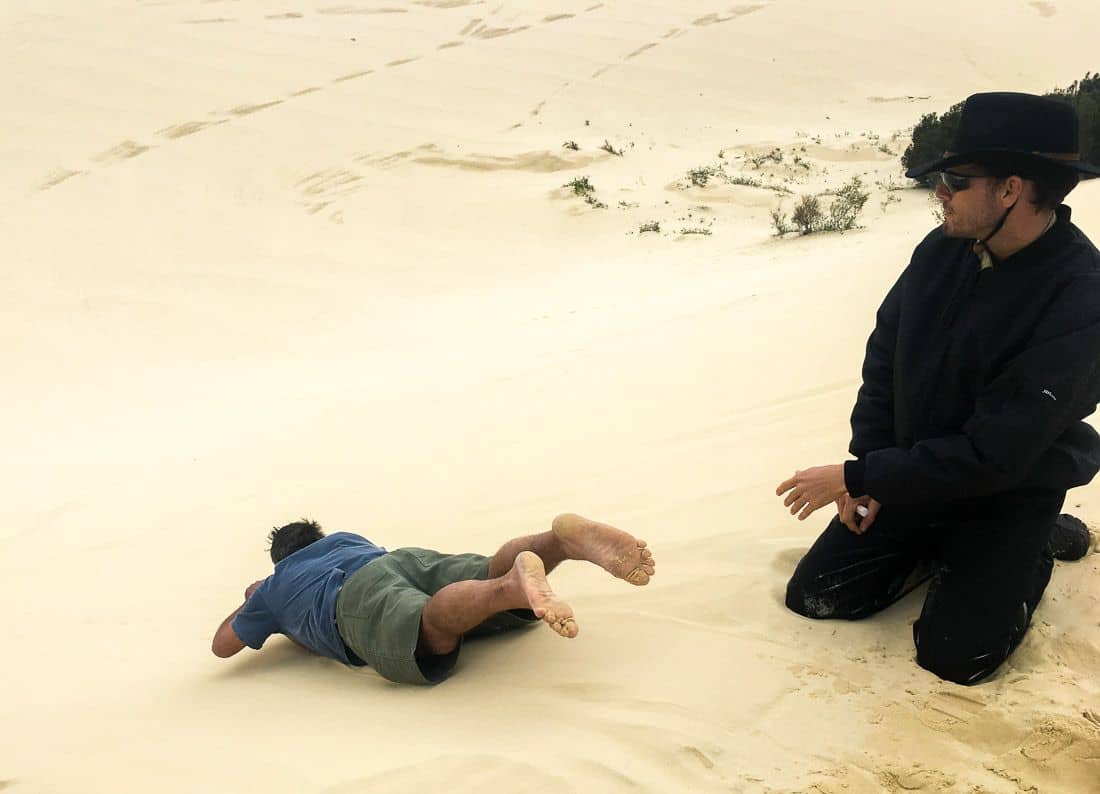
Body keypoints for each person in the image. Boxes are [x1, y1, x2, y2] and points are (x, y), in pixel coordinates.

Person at [775, 92, 1099, 685]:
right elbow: (884, 359)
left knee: (956, 658)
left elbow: (995, 454)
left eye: (955, 178)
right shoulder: (940, 251)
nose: (940, 192)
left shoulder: (1081, 297)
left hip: (1006, 490)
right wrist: (865, 470)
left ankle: (1035, 545)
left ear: (1011, 190)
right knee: (817, 596)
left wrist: (857, 478)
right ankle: (947, 546)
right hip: (916, 477)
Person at [211, 513, 655, 684]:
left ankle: (511, 587)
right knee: (484, 570)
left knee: (429, 625)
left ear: (280, 560)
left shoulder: (275, 586)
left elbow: (222, 644)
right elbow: (382, 568)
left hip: (352, 599)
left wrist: (254, 598)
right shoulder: (346, 538)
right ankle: (556, 543)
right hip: (400, 560)